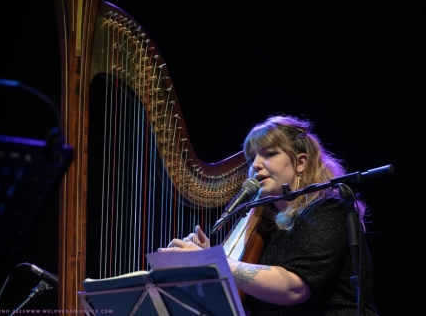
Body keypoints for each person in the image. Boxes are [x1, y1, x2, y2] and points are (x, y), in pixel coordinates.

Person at [158, 115, 378, 315]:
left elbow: (293, 288)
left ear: (301, 162)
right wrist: (206, 265)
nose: (255, 164)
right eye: (251, 158)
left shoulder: (329, 209)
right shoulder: (268, 225)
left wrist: (210, 262)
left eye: (269, 154)